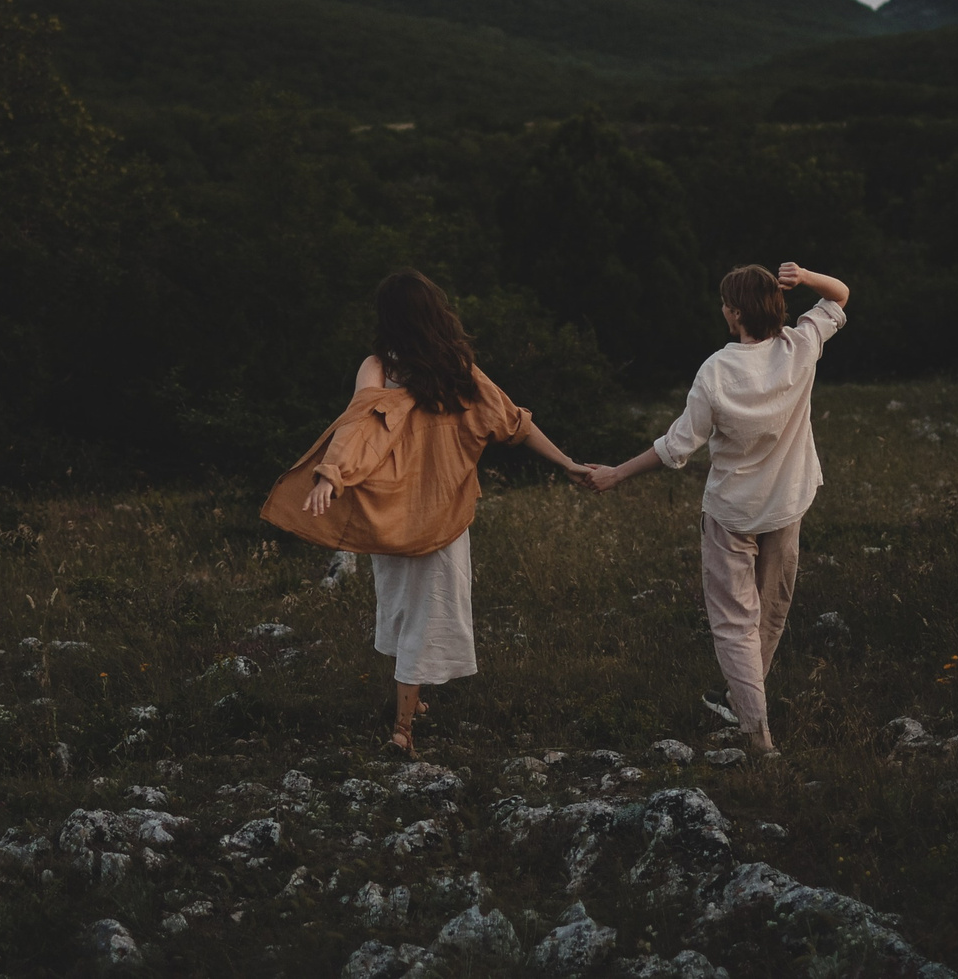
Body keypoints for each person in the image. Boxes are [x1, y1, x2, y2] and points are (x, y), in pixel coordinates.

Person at [261, 269, 592, 756]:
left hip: (389, 513)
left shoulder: (379, 366)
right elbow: (514, 422)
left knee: (404, 608)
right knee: (427, 613)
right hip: (441, 514)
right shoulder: (457, 370)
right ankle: (402, 729)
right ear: (435, 313)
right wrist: (567, 463)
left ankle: (408, 706)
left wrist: (332, 473)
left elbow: (358, 425)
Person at [588, 261, 848, 757]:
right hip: (787, 505)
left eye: (726, 305)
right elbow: (839, 295)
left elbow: (678, 446)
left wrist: (617, 473)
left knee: (735, 624)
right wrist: (806, 276)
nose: (723, 311)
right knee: (771, 614)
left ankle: (757, 734)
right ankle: (744, 705)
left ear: (736, 313)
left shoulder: (716, 371)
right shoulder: (800, 346)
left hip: (732, 514)